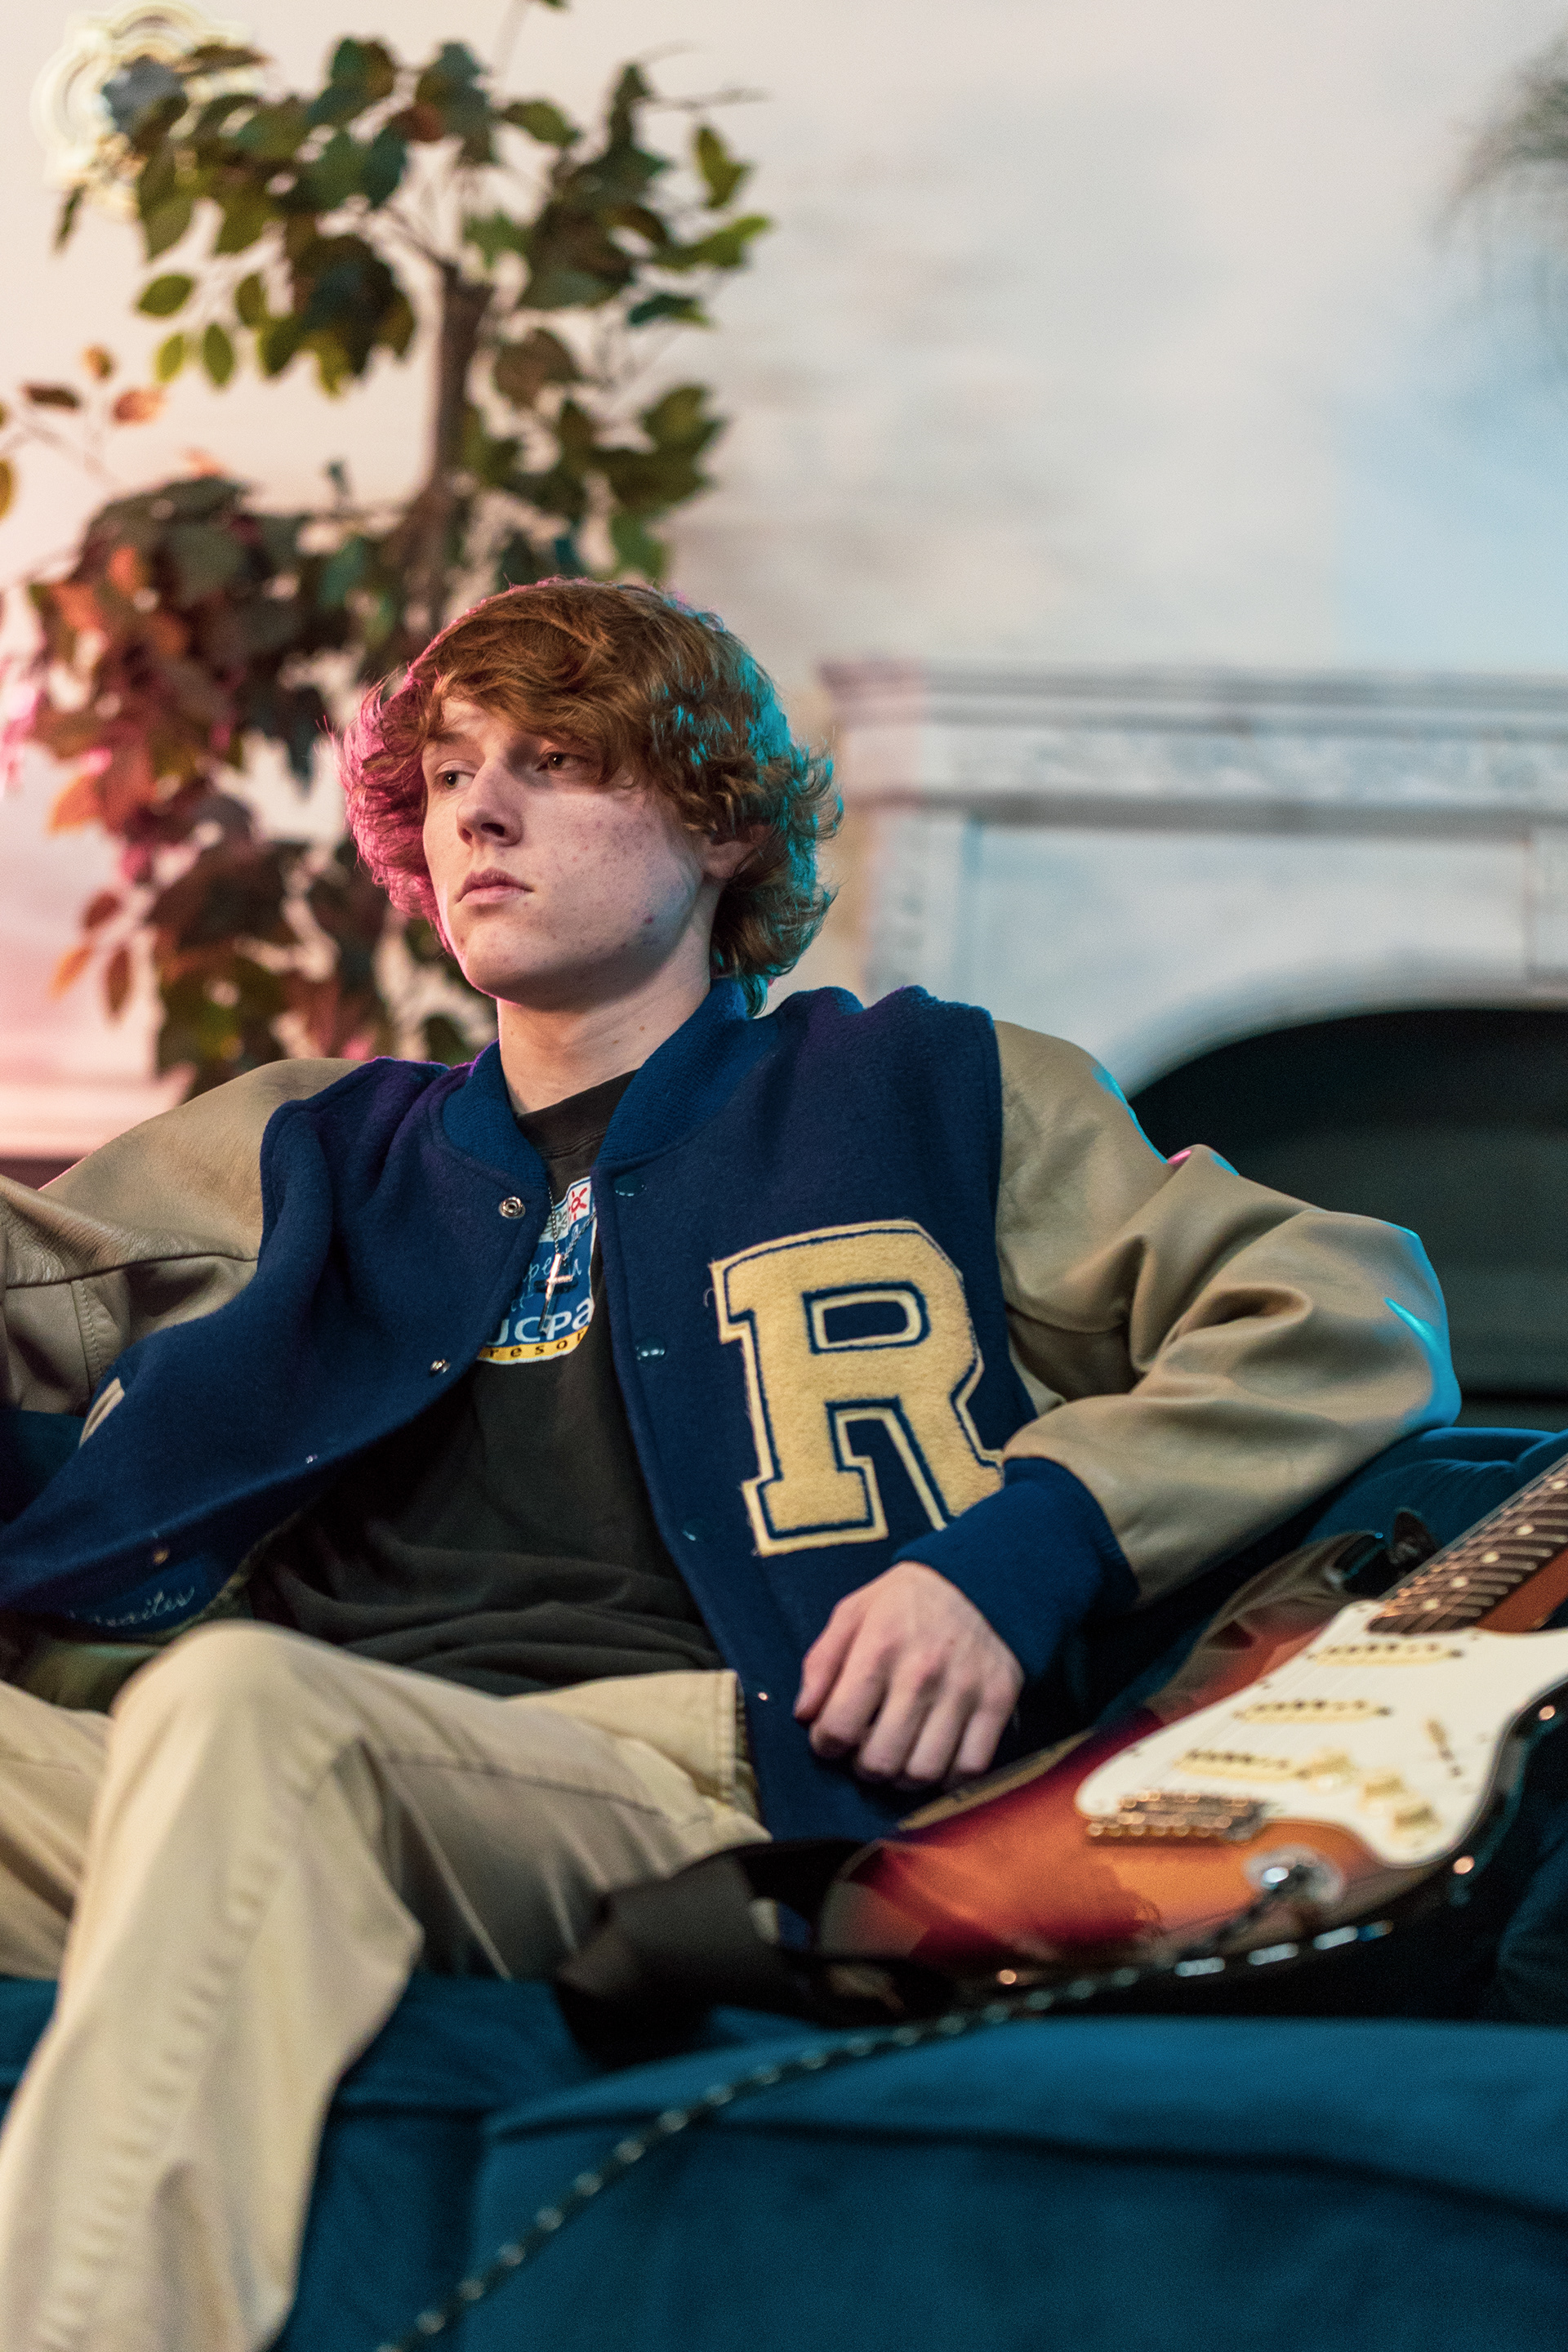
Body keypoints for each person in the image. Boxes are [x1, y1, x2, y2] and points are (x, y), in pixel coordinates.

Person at [0, 580, 1458, 2351]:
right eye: (451, 771)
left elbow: (1345, 1307)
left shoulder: (931, 1094)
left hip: (692, 1781)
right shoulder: (311, 1141)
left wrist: (1022, 1547)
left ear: (708, 820)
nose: (477, 807)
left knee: (247, 1715)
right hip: (236, 1757)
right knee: (221, 1723)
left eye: (551, 762)